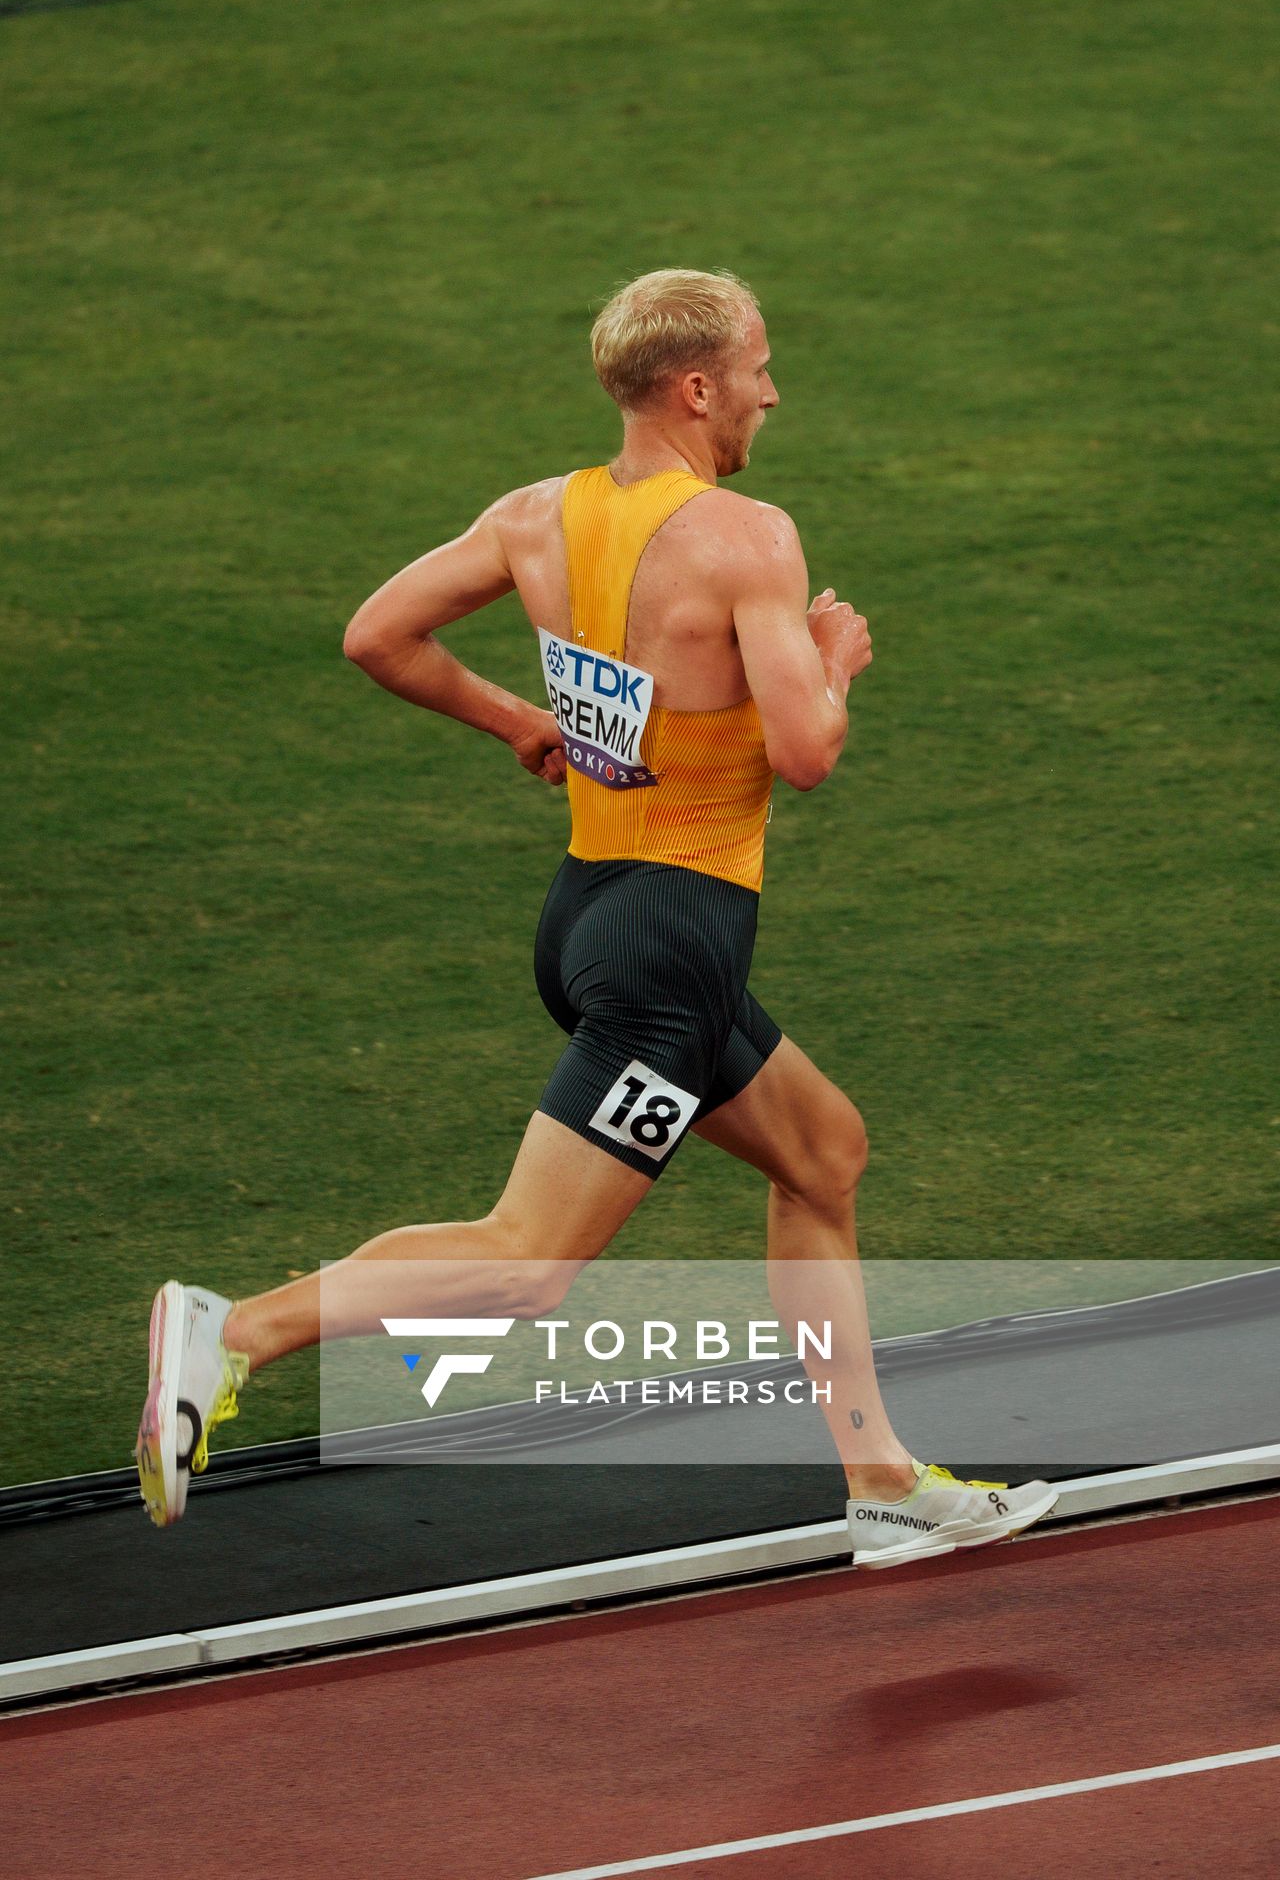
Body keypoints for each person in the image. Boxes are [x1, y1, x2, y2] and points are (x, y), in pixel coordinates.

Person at [136, 268, 1056, 1567]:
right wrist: (832, 663)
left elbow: (377, 635)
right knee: (529, 1263)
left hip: (589, 916)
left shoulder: (533, 518)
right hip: (673, 951)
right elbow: (805, 753)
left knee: (823, 1156)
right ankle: (233, 1331)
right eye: (758, 371)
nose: (772, 394)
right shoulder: (747, 539)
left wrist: (520, 722)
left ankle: (883, 1481)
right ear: (698, 388)